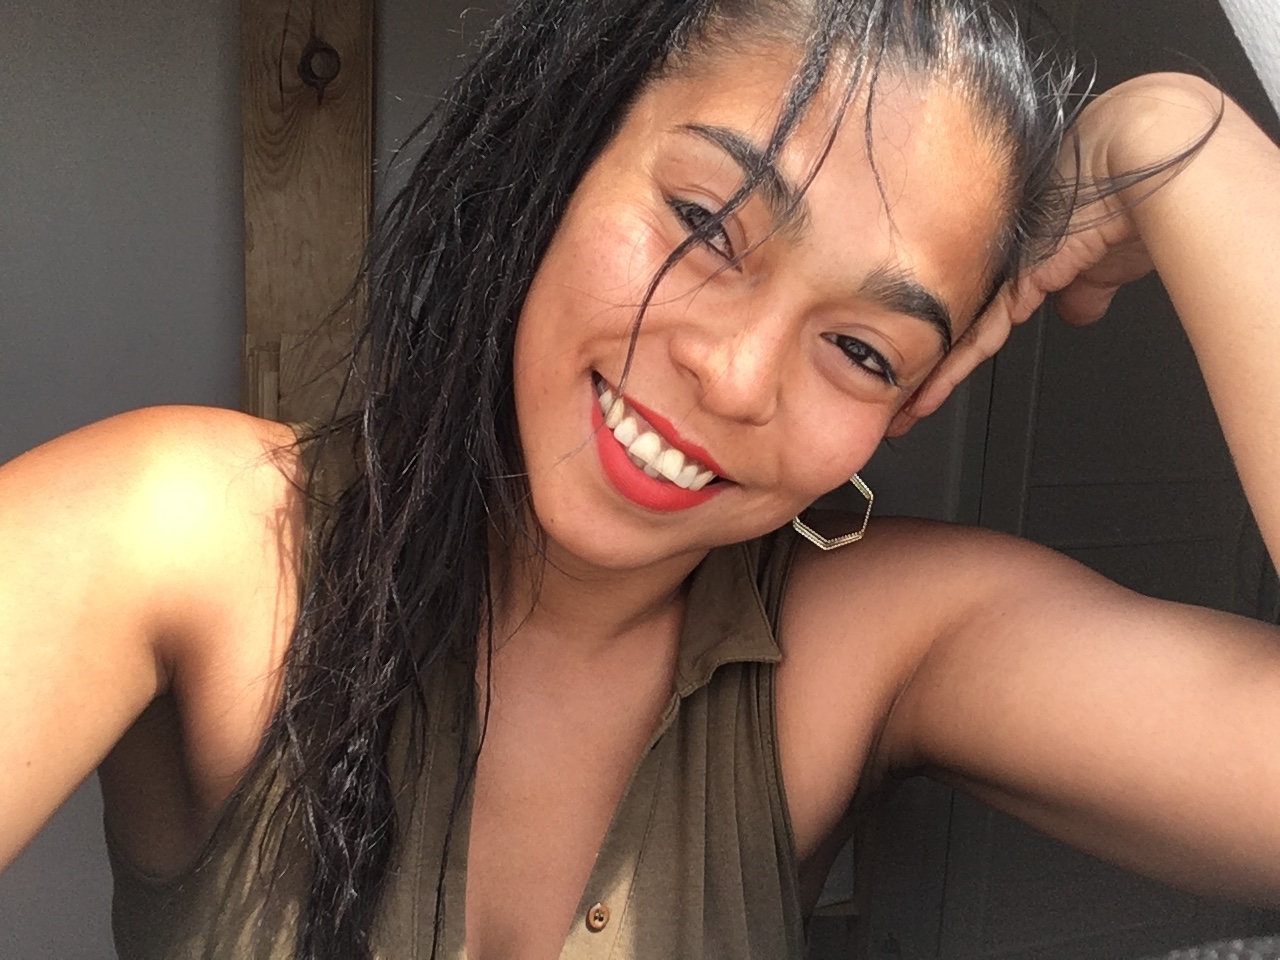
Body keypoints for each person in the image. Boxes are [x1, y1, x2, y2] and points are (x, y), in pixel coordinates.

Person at [2, 0, 1278, 957]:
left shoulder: (858, 647)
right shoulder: (192, 536)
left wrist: (1189, 139)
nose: (734, 375)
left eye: (860, 350)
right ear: (560, 151)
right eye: (705, 223)